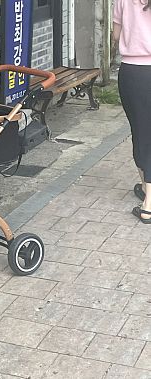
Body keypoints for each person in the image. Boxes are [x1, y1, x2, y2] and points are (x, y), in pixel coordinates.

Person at [113, 0, 151, 224]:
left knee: (141, 132)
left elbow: (116, 36)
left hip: (133, 74)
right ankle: (148, 191)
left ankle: (149, 202)